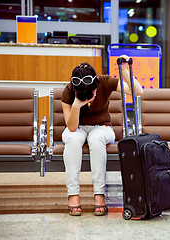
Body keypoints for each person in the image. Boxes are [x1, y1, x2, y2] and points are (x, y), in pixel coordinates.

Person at [61, 55, 143, 216]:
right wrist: (77, 105)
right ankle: (73, 195)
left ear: (96, 83)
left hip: (102, 128)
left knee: (95, 138)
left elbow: (137, 92)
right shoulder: (69, 91)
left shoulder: (104, 82)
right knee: (72, 139)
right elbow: (71, 127)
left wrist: (125, 70)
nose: (90, 94)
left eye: (92, 90)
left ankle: (99, 194)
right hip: (77, 128)